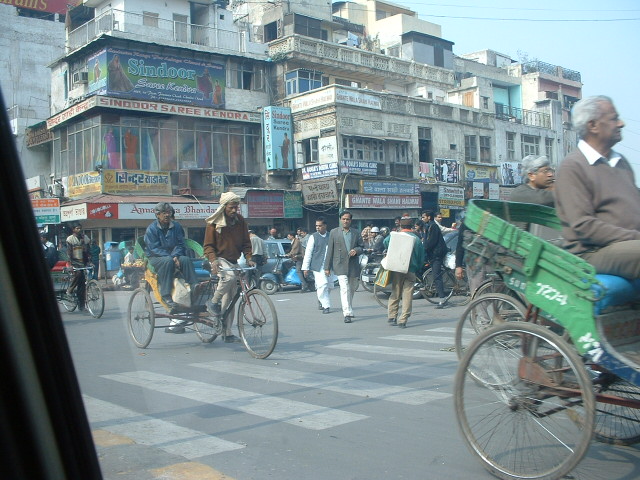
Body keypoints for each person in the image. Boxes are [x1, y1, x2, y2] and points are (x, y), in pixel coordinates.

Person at [555, 95, 640, 279]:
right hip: (592, 253)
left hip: (626, 245)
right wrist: (635, 237)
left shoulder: (621, 162)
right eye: (613, 118)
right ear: (593, 126)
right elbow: (584, 226)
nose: (621, 123)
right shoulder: (573, 166)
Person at [204, 192, 255, 343]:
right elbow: (207, 246)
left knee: (231, 298)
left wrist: (249, 257)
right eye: (231, 207)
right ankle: (213, 302)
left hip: (233, 260)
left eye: (236, 207)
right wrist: (213, 261)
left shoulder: (240, 221)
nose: (234, 210)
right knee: (230, 277)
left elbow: (246, 242)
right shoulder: (213, 223)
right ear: (224, 206)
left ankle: (227, 331)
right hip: (219, 259)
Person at [144, 202, 198, 328]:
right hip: (156, 257)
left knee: (186, 259)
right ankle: (166, 294)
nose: (167, 215)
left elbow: (180, 243)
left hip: (173, 255)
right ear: (157, 215)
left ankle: (194, 285)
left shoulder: (177, 226)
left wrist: (176, 256)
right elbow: (153, 248)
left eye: (169, 212)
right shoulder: (151, 229)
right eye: (164, 213)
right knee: (167, 262)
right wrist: (171, 258)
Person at [324, 210, 364, 323]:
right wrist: (327, 267)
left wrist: (356, 250)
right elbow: (330, 251)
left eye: (348, 219)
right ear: (340, 220)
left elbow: (362, 247)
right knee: (344, 288)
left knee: (352, 288)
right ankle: (346, 313)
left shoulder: (356, 232)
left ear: (350, 220)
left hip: (352, 265)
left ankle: (349, 308)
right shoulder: (334, 232)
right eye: (344, 219)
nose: (345, 221)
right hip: (339, 265)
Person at [384, 217, 425, 328]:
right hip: (411, 270)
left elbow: (385, 242)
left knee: (395, 291)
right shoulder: (416, 239)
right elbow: (422, 256)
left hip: (397, 268)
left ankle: (392, 316)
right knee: (407, 294)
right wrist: (418, 268)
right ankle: (403, 319)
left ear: (400, 226)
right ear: (411, 226)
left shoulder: (395, 236)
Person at [302, 216, 335, 314]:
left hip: (329, 266)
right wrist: (305, 268)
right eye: (316, 226)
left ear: (325, 226)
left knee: (329, 286)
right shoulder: (313, 237)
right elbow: (308, 252)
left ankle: (321, 300)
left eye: (320, 226)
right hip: (318, 266)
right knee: (322, 285)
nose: (317, 227)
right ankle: (326, 306)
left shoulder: (331, 236)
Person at [423, 211, 448, 307]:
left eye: (424, 217)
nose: (422, 218)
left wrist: (424, 248)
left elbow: (431, 242)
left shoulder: (433, 226)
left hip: (437, 254)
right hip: (432, 254)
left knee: (436, 276)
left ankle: (443, 299)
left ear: (429, 217)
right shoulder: (428, 226)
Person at [66, 223, 91, 311]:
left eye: (80, 228)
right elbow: (69, 252)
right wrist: (70, 264)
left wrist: (89, 261)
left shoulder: (85, 238)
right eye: (77, 228)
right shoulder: (70, 239)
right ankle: (70, 289)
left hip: (83, 261)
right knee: (78, 274)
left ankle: (82, 306)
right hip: (74, 261)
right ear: (73, 229)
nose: (79, 230)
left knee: (82, 284)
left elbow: (88, 250)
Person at [290, 227, 310, 292]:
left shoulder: (303, 239)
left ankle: (304, 285)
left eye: (301, 233)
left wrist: (289, 254)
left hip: (302, 257)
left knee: (299, 271)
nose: (300, 234)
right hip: (302, 257)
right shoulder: (300, 239)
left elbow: (296, 250)